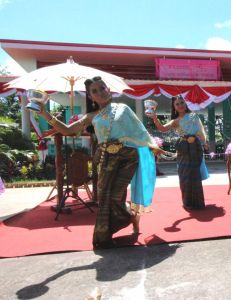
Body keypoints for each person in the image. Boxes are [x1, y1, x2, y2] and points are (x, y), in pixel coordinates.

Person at [37, 76, 163, 249]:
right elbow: (67, 130)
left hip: (127, 157)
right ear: (91, 97)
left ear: (108, 89)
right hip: (105, 159)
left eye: (102, 88)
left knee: (115, 195)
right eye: (95, 91)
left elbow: (139, 131)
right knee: (105, 199)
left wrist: (153, 146)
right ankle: (121, 224)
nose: (100, 92)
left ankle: (127, 219)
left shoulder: (123, 108)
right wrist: (45, 113)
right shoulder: (91, 116)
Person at [147, 95, 209, 210]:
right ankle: (187, 202)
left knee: (194, 175)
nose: (180, 105)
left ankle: (198, 203)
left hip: (195, 148)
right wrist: (155, 118)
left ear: (186, 104)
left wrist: (203, 142)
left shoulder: (193, 116)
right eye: (177, 104)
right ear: (174, 107)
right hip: (183, 148)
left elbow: (201, 132)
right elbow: (162, 129)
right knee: (184, 175)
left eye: (182, 102)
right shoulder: (175, 121)